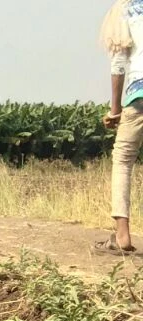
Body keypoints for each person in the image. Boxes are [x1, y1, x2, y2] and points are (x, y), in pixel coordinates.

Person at [99, 2, 143, 254]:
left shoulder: (124, 9)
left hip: (139, 94)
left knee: (124, 159)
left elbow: (119, 63)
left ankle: (122, 234)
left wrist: (115, 110)